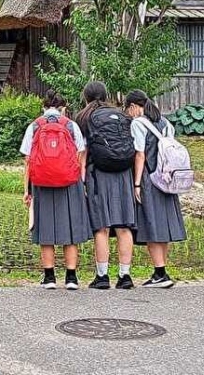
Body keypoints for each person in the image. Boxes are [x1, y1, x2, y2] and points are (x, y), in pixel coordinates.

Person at [21, 90, 91, 290]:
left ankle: (49, 277)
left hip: (41, 183)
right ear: (63, 108)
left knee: (46, 231)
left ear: (43, 107)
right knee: (70, 230)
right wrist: (79, 179)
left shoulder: (34, 126)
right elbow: (80, 154)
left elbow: (28, 160)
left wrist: (26, 190)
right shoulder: (71, 125)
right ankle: (71, 278)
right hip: (69, 182)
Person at [75, 81, 136, 290]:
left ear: (86, 97)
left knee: (102, 227)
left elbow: (82, 152)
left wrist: (82, 180)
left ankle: (102, 276)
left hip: (98, 174)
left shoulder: (84, 117)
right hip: (123, 175)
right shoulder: (122, 116)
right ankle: (125, 276)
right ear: (105, 95)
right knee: (124, 226)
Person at [124, 90, 186, 288]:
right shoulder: (166, 123)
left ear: (133, 106)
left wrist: (136, 184)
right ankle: (161, 270)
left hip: (149, 179)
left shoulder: (138, 123)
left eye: (128, 110)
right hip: (167, 178)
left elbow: (140, 155)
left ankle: (160, 273)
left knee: (150, 224)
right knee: (163, 225)